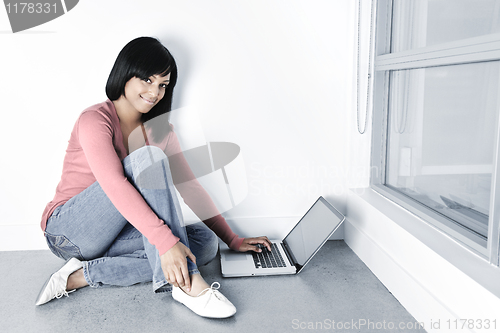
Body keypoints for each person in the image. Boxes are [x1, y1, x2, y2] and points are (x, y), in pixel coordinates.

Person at [36, 36, 271, 318]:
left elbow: (190, 188)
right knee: (148, 159)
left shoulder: (161, 131)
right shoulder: (94, 120)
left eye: (163, 85)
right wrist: (166, 243)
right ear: (125, 74)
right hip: (69, 232)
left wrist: (231, 239)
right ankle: (187, 285)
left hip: (116, 234)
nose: (155, 92)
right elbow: (114, 185)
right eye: (147, 80)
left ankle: (82, 274)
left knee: (205, 243)